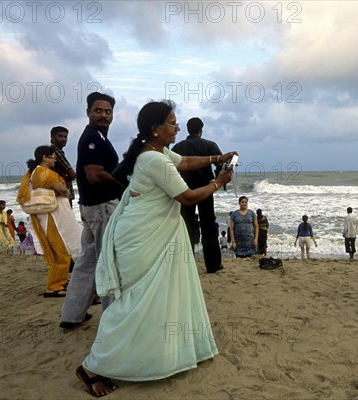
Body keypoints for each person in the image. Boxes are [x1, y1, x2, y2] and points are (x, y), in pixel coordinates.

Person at [75, 100, 236, 397]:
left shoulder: (156, 152)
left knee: (154, 299)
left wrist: (217, 156)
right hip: (142, 237)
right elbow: (186, 197)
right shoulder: (155, 161)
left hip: (145, 232)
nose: (176, 127)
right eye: (172, 122)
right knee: (133, 302)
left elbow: (185, 162)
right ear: (155, 129)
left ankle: (153, 354)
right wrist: (218, 181)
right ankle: (92, 366)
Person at [60, 92, 125, 329]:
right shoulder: (93, 139)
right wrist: (126, 186)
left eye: (108, 111)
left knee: (87, 263)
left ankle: (72, 315)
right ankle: (112, 319)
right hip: (101, 208)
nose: (104, 115)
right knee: (108, 262)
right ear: (88, 112)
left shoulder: (97, 137)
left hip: (91, 208)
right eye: (98, 110)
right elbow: (94, 175)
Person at [17, 145, 83, 297]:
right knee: (61, 251)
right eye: (53, 156)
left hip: (47, 215)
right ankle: (54, 286)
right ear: (45, 157)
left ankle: (59, 283)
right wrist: (66, 191)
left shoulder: (33, 172)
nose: (55, 159)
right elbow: (61, 189)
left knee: (59, 251)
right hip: (53, 216)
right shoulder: (45, 172)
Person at [171, 117, 225, 273]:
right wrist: (217, 178)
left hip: (184, 190)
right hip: (205, 189)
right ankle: (213, 265)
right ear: (201, 129)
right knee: (208, 226)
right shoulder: (209, 145)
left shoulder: (178, 147)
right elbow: (221, 164)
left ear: (187, 129)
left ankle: (186, 265)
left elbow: (170, 167)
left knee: (185, 226)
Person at [50, 126, 77, 207]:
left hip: (60, 194)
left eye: (65, 137)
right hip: (62, 195)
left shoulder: (56, 151)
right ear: (52, 137)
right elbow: (72, 175)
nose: (64, 139)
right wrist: (68, 175)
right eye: (60, 136)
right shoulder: (55, 151)